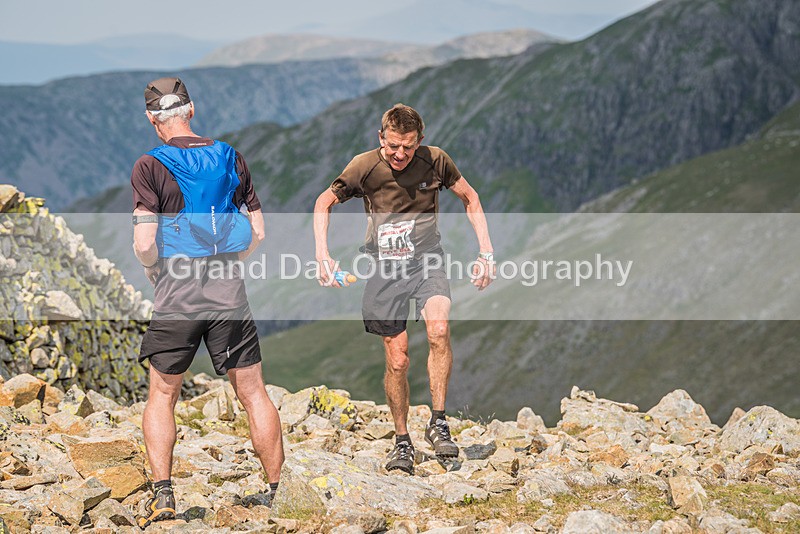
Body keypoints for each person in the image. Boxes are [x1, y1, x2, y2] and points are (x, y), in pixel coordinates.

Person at [131, 77, 284, 526]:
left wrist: (150, 267)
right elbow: (258, 231)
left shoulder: (149, 165)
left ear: (151, 118)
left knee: (163, 393)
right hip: (227, 289)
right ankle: (279, 490)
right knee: (253, 392)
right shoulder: (230, 156)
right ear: (191, 109)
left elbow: (144, 241)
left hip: (177, 290)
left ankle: (163, 495)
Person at [313, 103, 494, 474]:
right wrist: (322, 255)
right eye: (393, 145)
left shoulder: (437, 160)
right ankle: (401, 440)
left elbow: (470, 197)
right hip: (385, 267)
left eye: (408, 147)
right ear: (381, 138)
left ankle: (439, 422)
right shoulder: (364, 166)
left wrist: (486, 251)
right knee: (398, 358)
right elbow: (324, 202)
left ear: (420, 141)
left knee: (439, 329)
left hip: (428, 259)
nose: (399, 154)